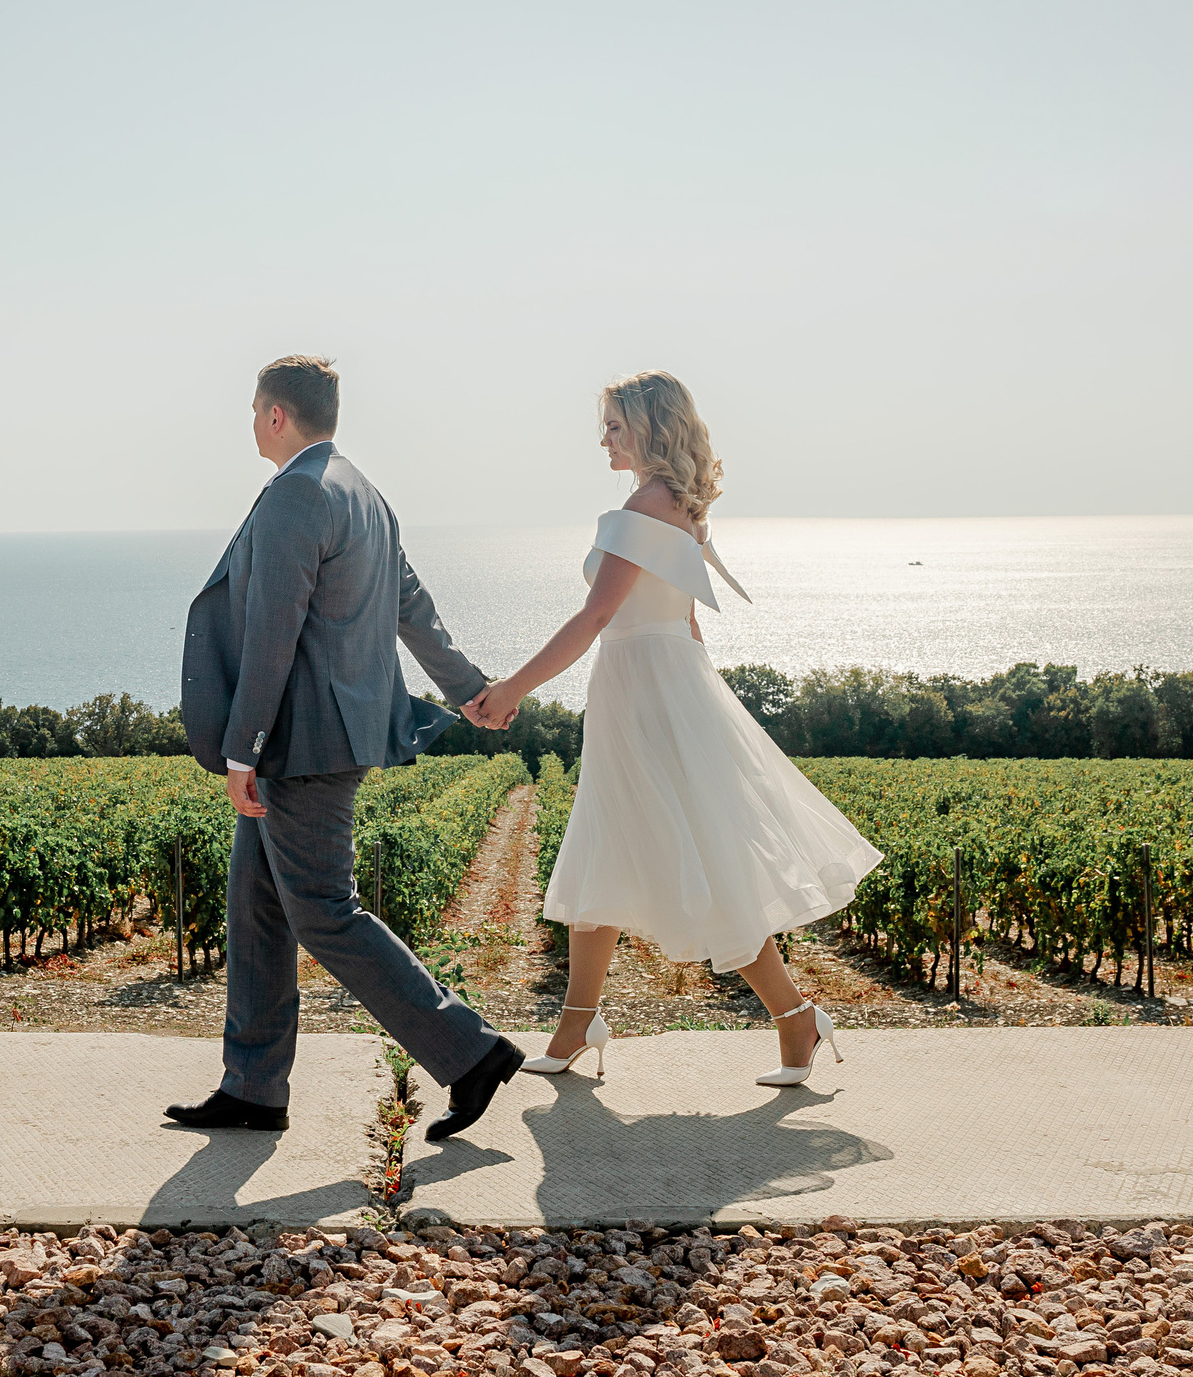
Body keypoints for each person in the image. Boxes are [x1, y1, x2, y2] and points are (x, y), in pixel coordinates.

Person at [462, 370, 882, 1087]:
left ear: (651, 428)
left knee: (699, 865)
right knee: (604, 846)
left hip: (643, 694)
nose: (604, 438)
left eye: (615, 426)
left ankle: (793, 1017)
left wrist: (512, 689)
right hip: (654, 691)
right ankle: (581, 1021)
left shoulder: (645, 506)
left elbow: (597, 617)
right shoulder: (680, 508)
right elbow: (684, 623)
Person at [172, 355, 527, 1140]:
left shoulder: (298, 491)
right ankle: (253, 1087)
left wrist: (243, 749)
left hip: (300, 744)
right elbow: (412, 604)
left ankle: (470, 1052)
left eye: (252, 410)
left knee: (326, 912)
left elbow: (273, 632)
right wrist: (467, 687)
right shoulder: (363, 491)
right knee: (258, 907)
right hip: (334, 733)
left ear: (274, 415)